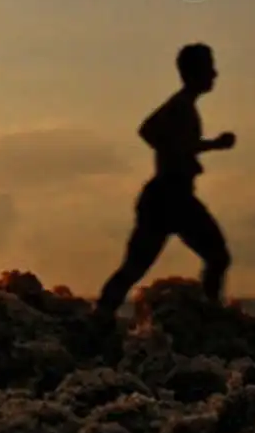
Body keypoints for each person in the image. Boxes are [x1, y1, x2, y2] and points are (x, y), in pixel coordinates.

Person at [94, 43, 236, 318]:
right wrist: (192, 150)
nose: (215, 74)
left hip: (172, 197)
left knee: (136, 267)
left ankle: (101, 314)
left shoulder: (184, 106)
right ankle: (210, 315)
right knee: (215, 257)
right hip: (169, 198)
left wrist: (202, 147)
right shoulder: (180, 105)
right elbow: (149, 132)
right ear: (195, 72)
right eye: (209, 68)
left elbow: (167, 137)